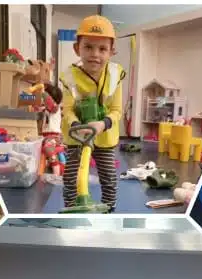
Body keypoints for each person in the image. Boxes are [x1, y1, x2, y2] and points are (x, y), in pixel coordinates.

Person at [59, 15, 126, 212]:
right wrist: (75, 125)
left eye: (102, 49)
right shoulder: (69, 77)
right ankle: (71, 211)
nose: (95, 54)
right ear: (76, 49)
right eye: (88, 47)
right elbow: (67, 109)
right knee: (71, 178)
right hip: (77, 136)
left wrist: (103, 124)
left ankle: (109, 210)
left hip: (104, 136)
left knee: (109, 177)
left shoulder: (115, 75)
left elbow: (117, 110)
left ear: (111, 52)